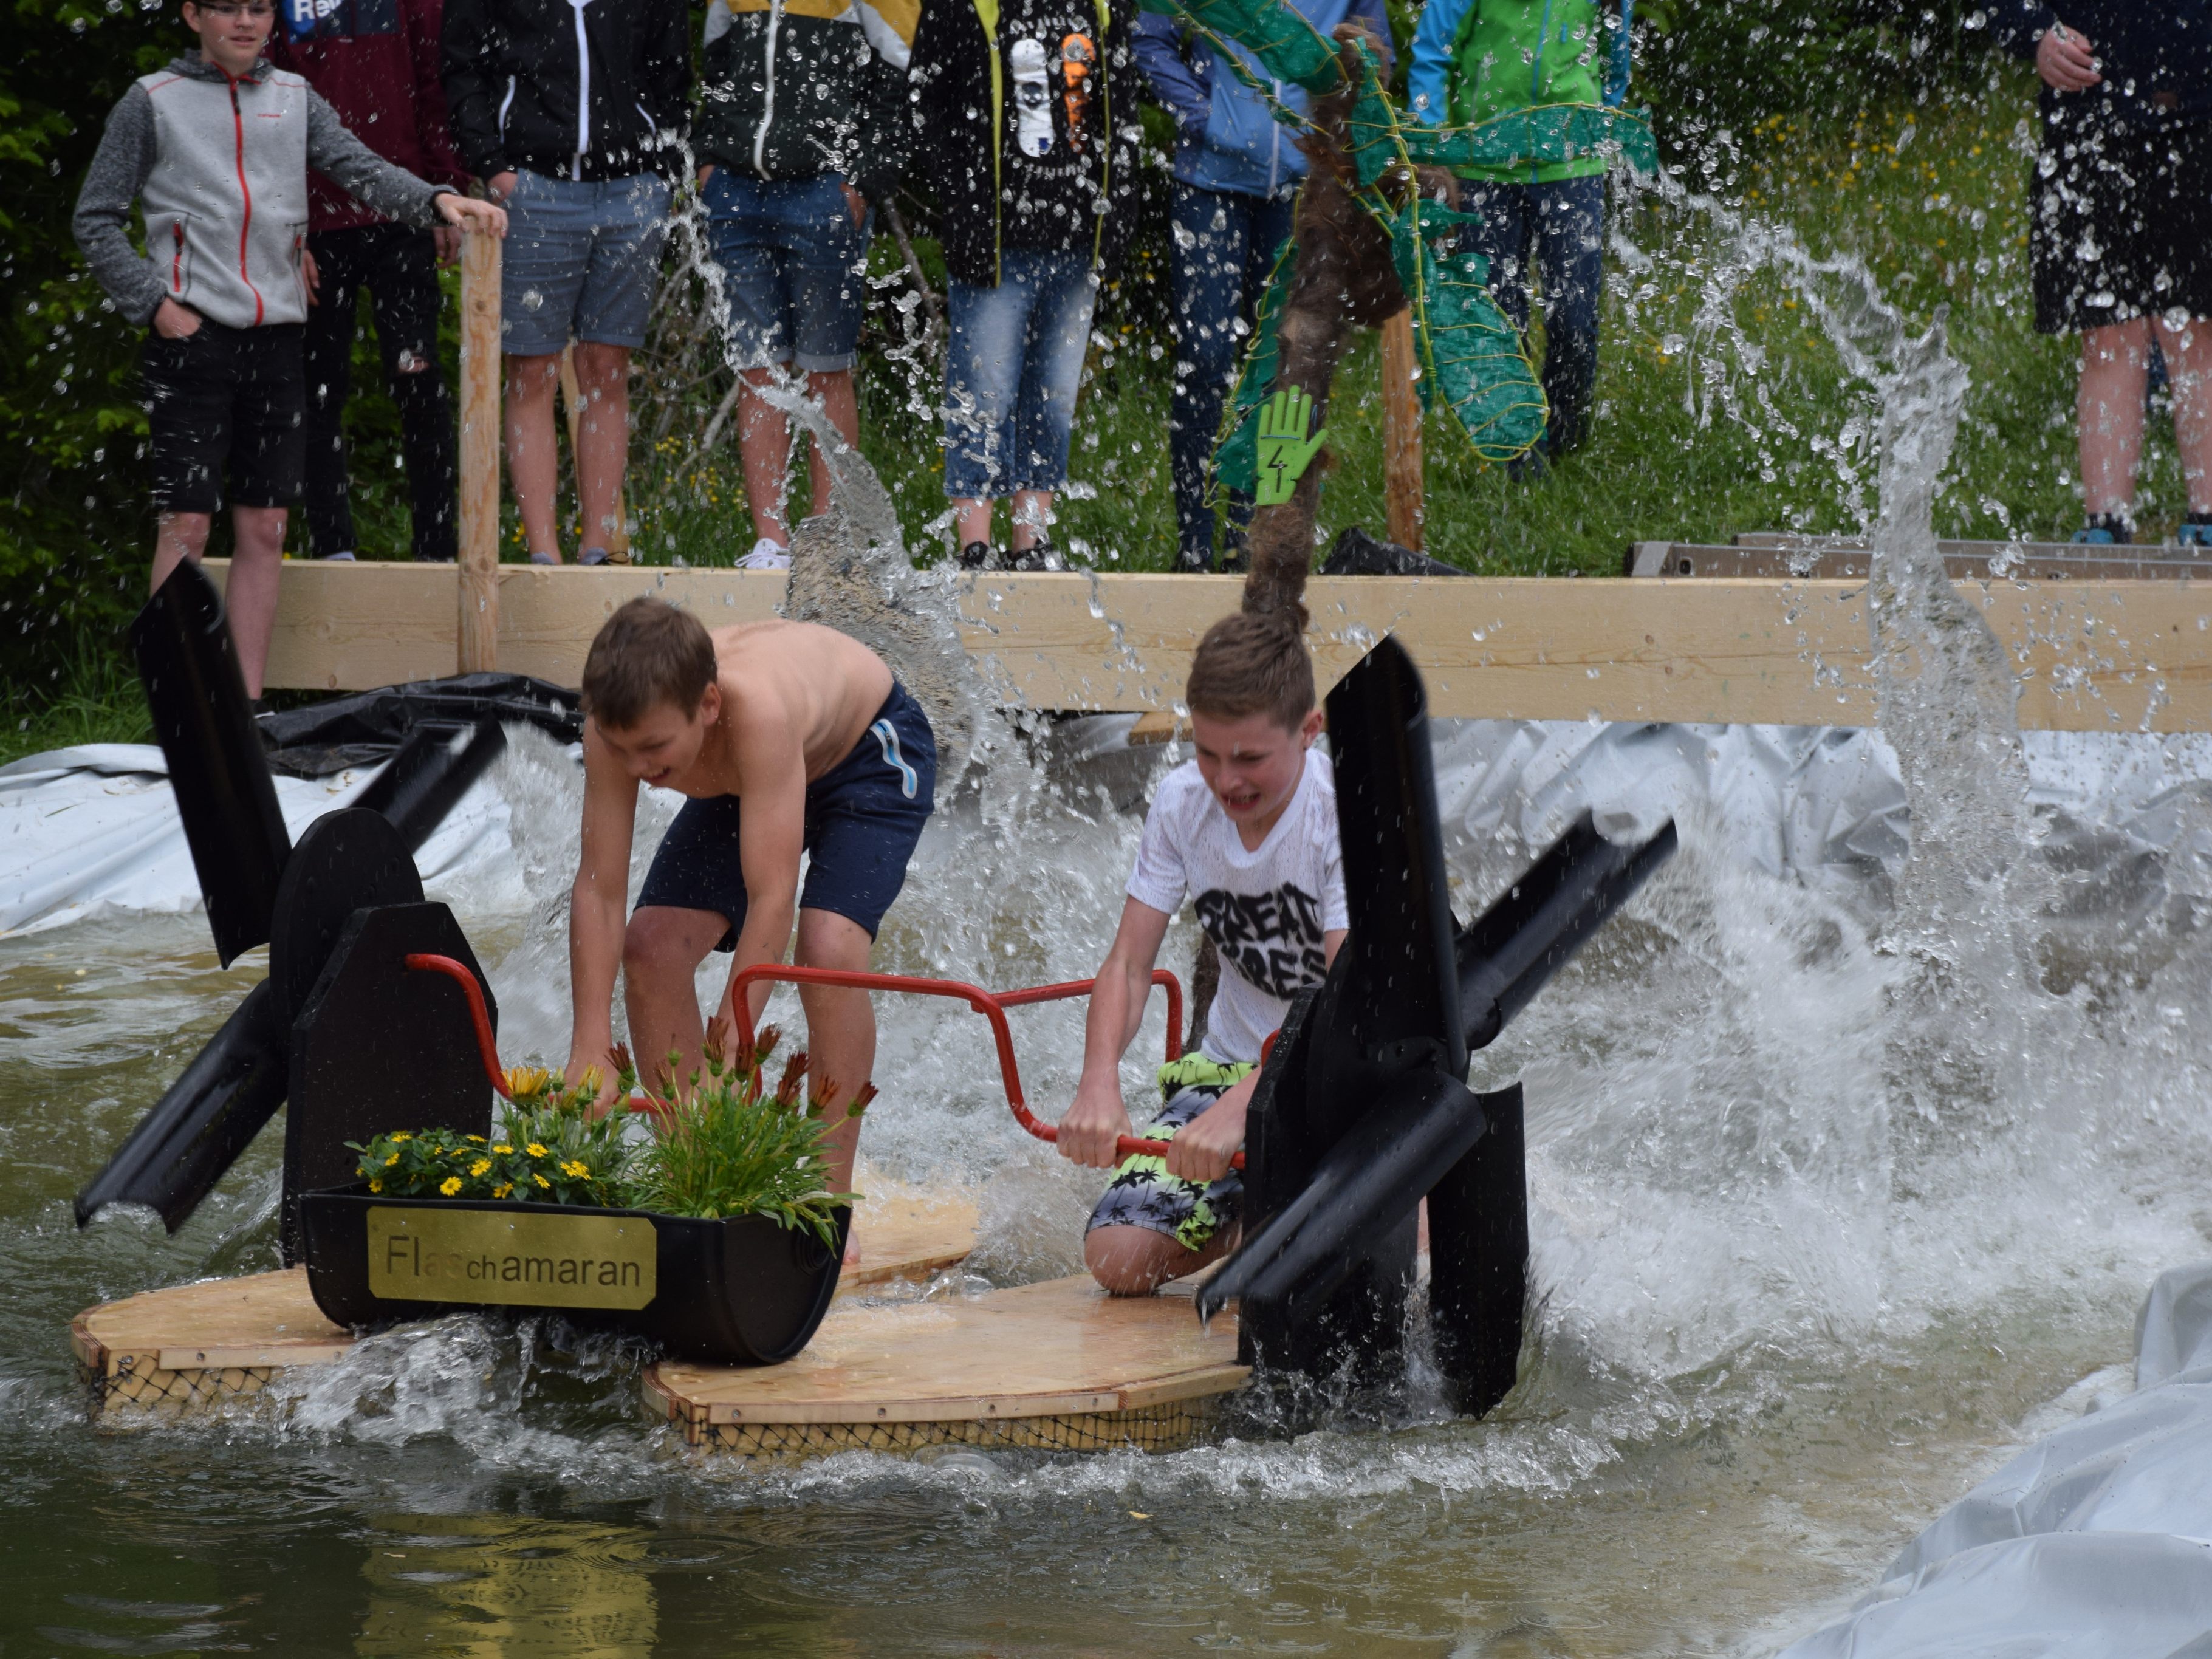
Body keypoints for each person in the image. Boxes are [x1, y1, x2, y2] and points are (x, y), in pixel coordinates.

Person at [72, 0, 506, 698]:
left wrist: (436, 202)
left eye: (258, 9)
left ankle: (245, 709)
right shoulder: (152, 100)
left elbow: (360, 168)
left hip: (276, 338)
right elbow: (93, 217)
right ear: (191, 15)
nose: (245, 22)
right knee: (185, 525)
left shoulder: (296, 96)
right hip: (192, 339)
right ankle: (177, 708)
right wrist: (153, 304)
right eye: (227, 9)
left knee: (267, 527)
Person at [565, 598, 937, 1200]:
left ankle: (826, 1195)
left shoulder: (755, 711)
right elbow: (598, 889)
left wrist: (733, 1041)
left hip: (865, 753)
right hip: (746, 772)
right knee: (651, 948)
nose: (634, 767)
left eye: (653, 748)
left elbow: (772, 897)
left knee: (827, 947)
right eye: (620, 747)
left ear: (707, 706)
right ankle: (693, 1178)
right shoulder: (618, 732)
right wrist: (588, 1046)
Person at [1056, 606, 1346, 1295]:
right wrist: (1097, 1078)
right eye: (1208, 753)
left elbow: (1342, 1002)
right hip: (1227, 1072)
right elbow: (1127, 963)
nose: (1226, 781)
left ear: (1309, 729)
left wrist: (1250, 1105)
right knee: (1115, 1260)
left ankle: (1277, 1221)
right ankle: (1246, 1223)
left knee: (1404, 1256)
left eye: (1249, 758)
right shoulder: (1182, 802)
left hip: (1332, 1082)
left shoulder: (1339, 817)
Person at [1133, 0, 1391, 570]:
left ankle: (1256, 538)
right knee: (1203, 359)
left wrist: (1350, 110)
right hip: (1209, 183)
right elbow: (1149, 37)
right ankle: (1196, 541)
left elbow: (1378, 58)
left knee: (1287, 368)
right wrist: (1204, 116)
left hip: (1302, 192)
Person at [442, 0, 690, 566]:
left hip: (633, 192)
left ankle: (597, 550)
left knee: (607, 366)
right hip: (534, 190)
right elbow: (461, 69)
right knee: (531, 369)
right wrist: (493, 166)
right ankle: (543, 553)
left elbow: (672, 70)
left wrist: (665, 172)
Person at [909, 0, 1140, 569]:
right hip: (994, 243)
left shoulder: (1103, 8)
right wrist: (959, 206)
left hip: (1077, 238)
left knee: (1053, 400)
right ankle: (975, 548)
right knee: (982, 395)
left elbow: (1124, 112)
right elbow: (923, 103)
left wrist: (1118, 219)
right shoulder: (968, 5)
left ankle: (1031, 545)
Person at [696, 0, 914, 572]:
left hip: (823, 192)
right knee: (756, 367)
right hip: (736, 192)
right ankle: (771, 540)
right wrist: (707, 160)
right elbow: (714, 69)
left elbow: (902, 81)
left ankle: (828, 541)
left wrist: (863, 181)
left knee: (827, 366)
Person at [1994, 4, 2212, 547]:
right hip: (2087, 122)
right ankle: (2104, 527)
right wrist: (2035, 35)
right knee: (2107, 332)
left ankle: (2208, 520)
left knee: (2195, 329)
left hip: (2201, 115)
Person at [270, 0, 471, 565]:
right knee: (318, 389)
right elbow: (264, 106)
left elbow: (434, 84)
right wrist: (285, 226)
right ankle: (333, 549)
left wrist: (444, 187)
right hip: (312, 223)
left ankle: (437, 551)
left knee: (418, 378)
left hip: (402, 213)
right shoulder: (270, 8)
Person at [1407, 0, 1618, 465]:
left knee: (1574, 317)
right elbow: (1431, 51)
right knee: (1498, 320)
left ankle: (1565, 442)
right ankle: (1516, 455)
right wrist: (1429, 140)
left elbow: (1614, 49)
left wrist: (1606, 115)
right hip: (1485, 166)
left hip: (1573, 164)